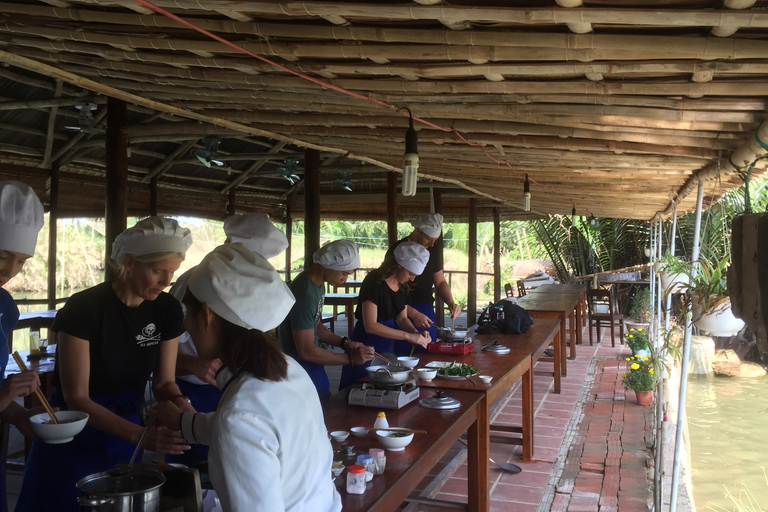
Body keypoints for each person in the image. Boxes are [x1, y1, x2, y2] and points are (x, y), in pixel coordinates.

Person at [15, 216, 195, 512]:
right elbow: (78, 397)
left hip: (124, 427)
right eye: (158, 271)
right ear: (128, 262)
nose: (166, 282)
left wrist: (182, 407)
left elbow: (164, 383)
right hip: (71, 427)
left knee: (117, 502)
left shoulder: (167, 310)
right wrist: (141, 436)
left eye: (172, 273)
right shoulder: (85, 308)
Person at [151, 243, 342, 511]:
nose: (186, 327)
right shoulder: (290, 369)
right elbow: (257, 425)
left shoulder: (240, 414)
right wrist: (185, 422)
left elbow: (242, 424)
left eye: (188, 314)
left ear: (206, 314)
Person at [168, 212, 288, 465]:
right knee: (196, 465)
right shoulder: (194, 285)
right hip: (195, 388)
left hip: (236, 382)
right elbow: (161, 352)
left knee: (234, 454)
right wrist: (193, 364)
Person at [0, 181, 50, 511]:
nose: (10, 271)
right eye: (2, 256)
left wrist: (19, 414)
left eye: (21, 261)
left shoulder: (4, 306)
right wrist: (5, 395)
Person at [277, 240, 374, 398]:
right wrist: (350, 359)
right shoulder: (305, 292)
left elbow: (316, 325)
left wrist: (344, 343)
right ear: (330, 265)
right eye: (344, 273)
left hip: (312, 363)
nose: (345, 279)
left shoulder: (318, 285)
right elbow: (306, 351)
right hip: (299, 367)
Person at [338, 241, 431, 390]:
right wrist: (408, 336)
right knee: (356, 390)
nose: (412, 279)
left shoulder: (402, 286)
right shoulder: (375, 281)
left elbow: (402, 318)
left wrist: (417, 334)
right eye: (411, 274)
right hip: (364, 345)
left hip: (386, 348)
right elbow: (371, 326)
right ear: (399, 265)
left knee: (381, 389)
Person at [385, 213, 461, 355]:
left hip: (425, 307)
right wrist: (412, 313)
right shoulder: (398, 250)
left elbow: (440, 281)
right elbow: (389, 290)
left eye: (435, 241)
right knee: (405, 355)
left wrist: (451, 302)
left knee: (428, 351)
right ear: (418, 230)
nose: (431, 244)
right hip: (401, 308)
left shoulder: (432, 250)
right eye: (429, 239)